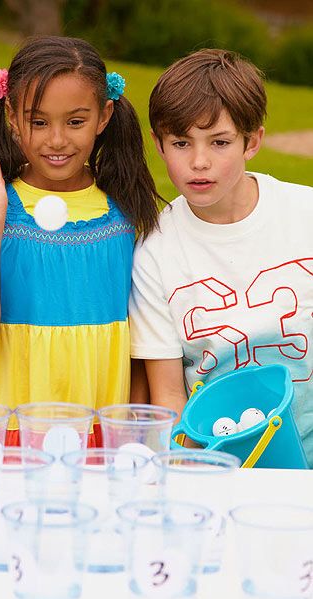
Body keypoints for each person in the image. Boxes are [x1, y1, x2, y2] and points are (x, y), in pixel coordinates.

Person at [0, 35, 161, 444]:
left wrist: (128, 436)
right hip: (5, 429)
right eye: (39, 121)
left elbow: (141, 343)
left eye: (76, 121)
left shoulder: (127, 212)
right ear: (11, 116)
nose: (57, 140)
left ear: (104, 116)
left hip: (99, 431)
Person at [129, 49, 313, 463]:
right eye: (180, 142)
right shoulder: (154, 252)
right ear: (158, 145)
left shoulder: (306, 215)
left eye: (220, 142)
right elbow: (170, 396)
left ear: (253, 141)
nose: (198, 161)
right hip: (217, 466)